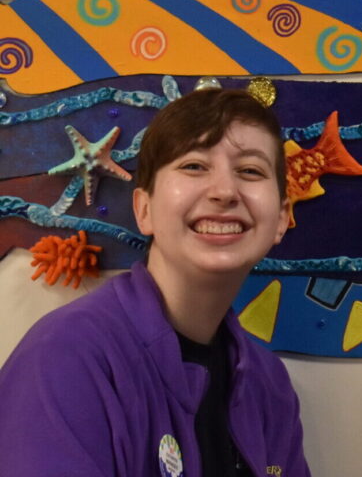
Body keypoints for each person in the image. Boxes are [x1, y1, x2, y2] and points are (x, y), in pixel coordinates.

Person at [0, 89, 310, 476]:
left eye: (250, 171)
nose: (225, 192)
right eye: (194, 166)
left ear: (280, 218)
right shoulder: (65, 358)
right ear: (144, 210)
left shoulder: (270, 386)